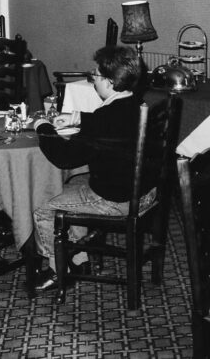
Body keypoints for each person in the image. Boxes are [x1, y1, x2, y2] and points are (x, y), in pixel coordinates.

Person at [32, 45, 152, 290]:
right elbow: (108, 125)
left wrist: (42, 126)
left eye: (94, 76)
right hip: (146, 193)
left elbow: (63, 158)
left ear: (108, 82)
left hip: (117, 200)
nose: (93, 81)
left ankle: (58, 272)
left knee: (44, 210)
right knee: (74, 184)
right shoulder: (137, 105)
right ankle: (80, 258)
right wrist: (78, 117)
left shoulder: (105, 118)